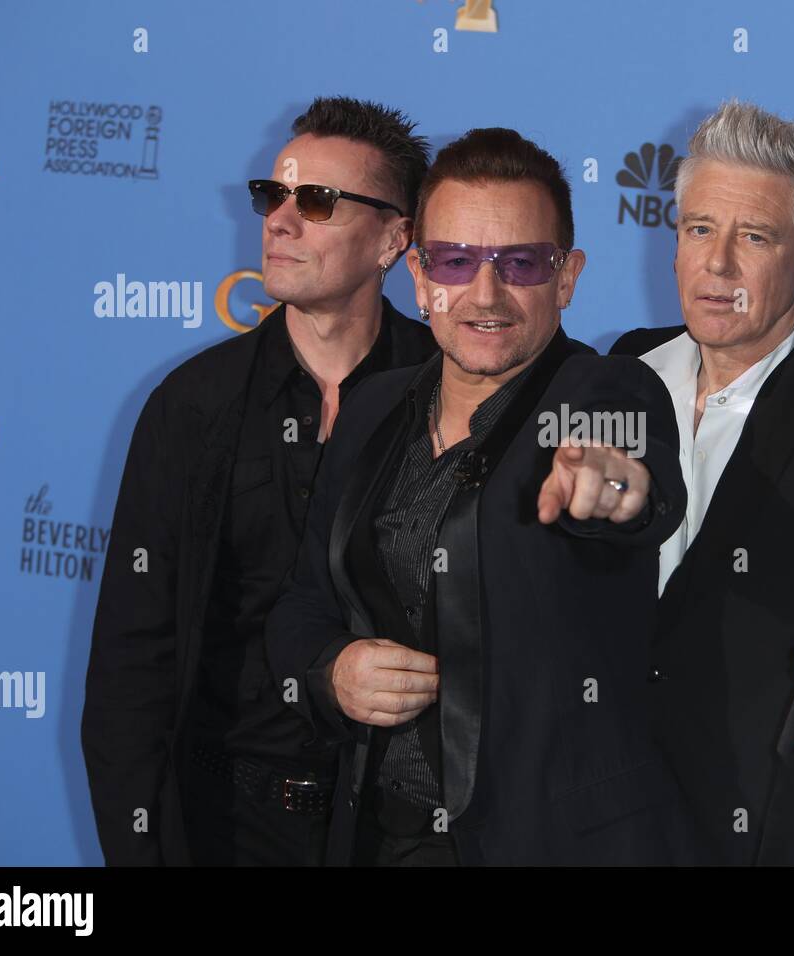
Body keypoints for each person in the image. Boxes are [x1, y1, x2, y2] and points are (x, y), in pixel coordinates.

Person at [265, 127, 688, 865]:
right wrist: (332, 672)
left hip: (551, 845)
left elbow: (634, 477)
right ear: (421, 275)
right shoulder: (373, 409)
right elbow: (303, 605)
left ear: (567, 277)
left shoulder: (600, 392)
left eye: (521, 263)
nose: (485, 294)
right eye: (457, 261)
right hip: (381, 837)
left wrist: (617, 488)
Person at [82, 96, 437, 866]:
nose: (279, 221)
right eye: (273, 197)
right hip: (225, 824)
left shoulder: (448, 393)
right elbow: (130, 668)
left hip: (403, 821)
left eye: (317, 201)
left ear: (393, 238)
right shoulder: (192, 407)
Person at [612, 101, 794, 864]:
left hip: (748, 830)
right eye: (699, 229)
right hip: (591, 810)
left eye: (755, 237)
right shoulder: (619, 374)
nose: (718, 265)